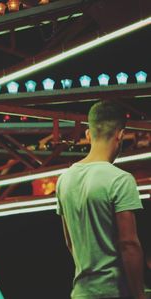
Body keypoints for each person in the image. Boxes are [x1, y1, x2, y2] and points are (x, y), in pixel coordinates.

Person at [56, 100, 145, 299]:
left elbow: (70, 242)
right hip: (113, 293)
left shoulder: (64, 180)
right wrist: (139, 295)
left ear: (88, 134)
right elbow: (128, 244)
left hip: (81, 293)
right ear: (120, 135)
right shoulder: (120, 180)